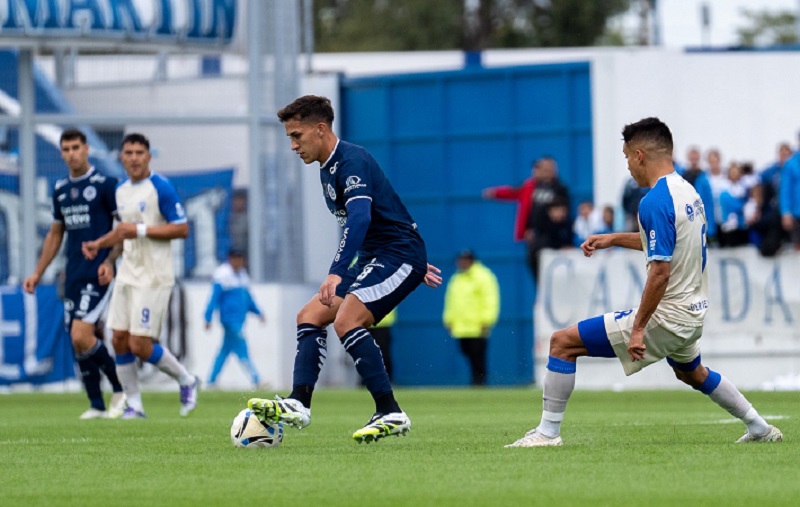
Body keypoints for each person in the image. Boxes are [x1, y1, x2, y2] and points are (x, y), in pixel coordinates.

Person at [506, 117, 783, 448]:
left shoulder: (654, 200)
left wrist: (638, 328)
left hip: (668, 315)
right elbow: (665, 239)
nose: (628, 166)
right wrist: (612, 239)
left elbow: (660, 271)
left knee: (562, 343)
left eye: (626, 157)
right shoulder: (688, 192)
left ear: (639, 155)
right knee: (692, 372)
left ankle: (548, 433)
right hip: (693, 312)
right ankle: (759, 427)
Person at [246, 95, 442, 443]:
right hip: (385, 255)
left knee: (346, 320)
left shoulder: (351, 160)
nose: (292, 145)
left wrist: (339, 270)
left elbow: (361, 217)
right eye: (289, 137)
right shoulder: (328, 168)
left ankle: (390, 411)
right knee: (309, 315)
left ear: (320, 129)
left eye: (296, 136)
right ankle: (299, 403)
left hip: (396, 254)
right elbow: (384, 212)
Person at [82, 133, 199, 419]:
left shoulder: (160, 187)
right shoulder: (121, 189)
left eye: (139, 153)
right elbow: (122, 232)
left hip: (154, 277)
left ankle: (185, 378)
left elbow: (181, 228)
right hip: (127, 275)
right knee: (118, 338)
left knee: (140, 344)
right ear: (121, 157)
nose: (134, 158)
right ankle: (134, 404)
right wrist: (106, 255)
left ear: (148, 156)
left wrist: (141, 230)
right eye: (129, 153)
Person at [22, 128, 125, 420]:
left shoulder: (106, 185)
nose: (71, 153)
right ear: (61, 153)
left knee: (82, 333)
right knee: (77, 338)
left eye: (76, 147)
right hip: (74, 274)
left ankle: (120, 389)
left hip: (99, 272)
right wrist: (37, 272)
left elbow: (121, 231)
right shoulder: (61, 190)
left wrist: (111, 260)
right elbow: (55, 235)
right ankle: (96, 404)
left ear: (86, 149)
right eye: (66, 149)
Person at [204, 248, 265, 388]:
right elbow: (214, 298)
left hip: (240, 319)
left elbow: (248, 299)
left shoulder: (242, 275)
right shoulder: (222, 275)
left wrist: (258, 312)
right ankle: (256, 379)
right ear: (230, 259)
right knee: (242, 348)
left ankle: (211, 380)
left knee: (225, 351)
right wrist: (208, 317)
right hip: (229, 320)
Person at [442, 249, 499, 386]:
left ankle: (479, 382)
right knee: (467, 354)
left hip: (477, 325)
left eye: (464, 260)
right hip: (461, 327)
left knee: (478, 356)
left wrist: (487, 320)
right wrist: (449, 319)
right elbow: (451, 301)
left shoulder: (483, 276)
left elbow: (490, 299)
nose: (461, 263)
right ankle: (476, 380)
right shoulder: (457, 278)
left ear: (471, 261)